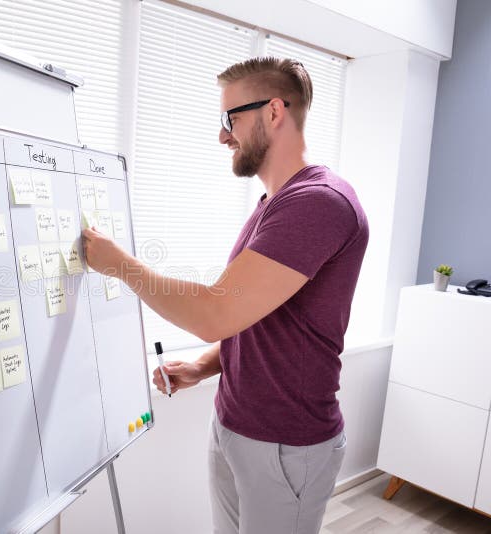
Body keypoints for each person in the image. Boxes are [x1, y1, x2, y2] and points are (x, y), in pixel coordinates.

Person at [82, 56, 369, 534]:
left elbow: (215, 311)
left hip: (286, 444)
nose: (223, 135)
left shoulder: (318, 203)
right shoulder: (274, 205)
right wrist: (202, 366)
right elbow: (255, 318)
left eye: (230, 118)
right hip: (237, 425)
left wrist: (121, 266)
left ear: (274, 111)